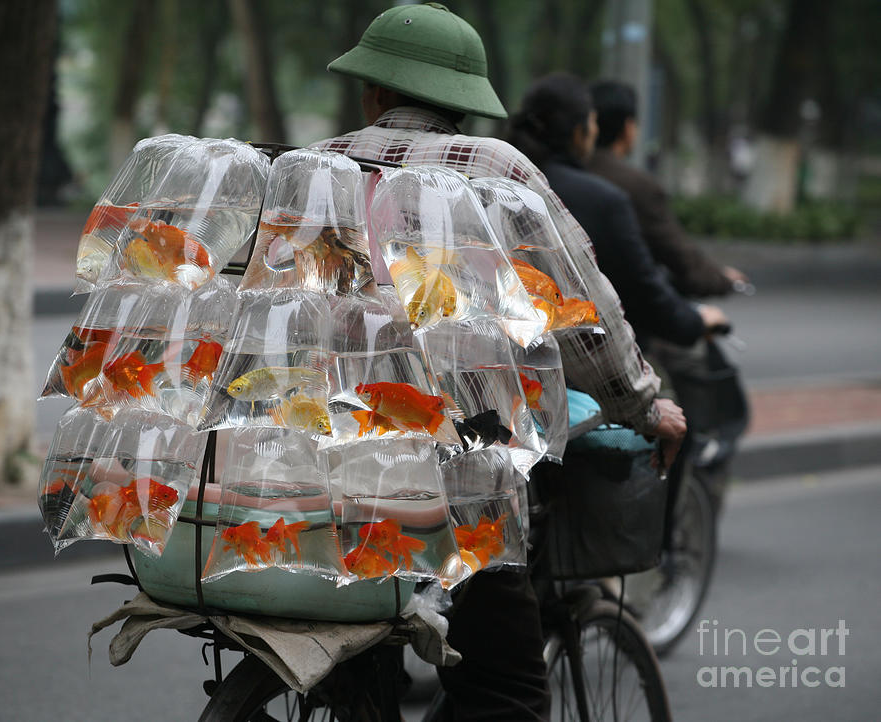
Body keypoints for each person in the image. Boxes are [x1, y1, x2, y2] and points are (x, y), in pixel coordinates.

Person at [313, 5, 686, 720]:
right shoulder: (496, 170)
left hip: (320, 463)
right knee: (505, 686)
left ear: (372, 94)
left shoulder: (317, 165)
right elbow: (580, 313)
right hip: (462, 474)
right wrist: (644, 404)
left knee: (356, 666)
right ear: (463, 104)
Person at [506, 72, 729, 351]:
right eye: (592, 121)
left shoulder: (503, 181)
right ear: (580, 131)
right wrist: (694, 322)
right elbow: (643, 287)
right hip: (585, 353)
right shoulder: (604, 200)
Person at [586, 80, 747, 298]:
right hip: (625, 311)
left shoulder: (553, 175)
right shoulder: (637, 186)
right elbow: (678, 255)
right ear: (628, 127)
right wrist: (719, 279)